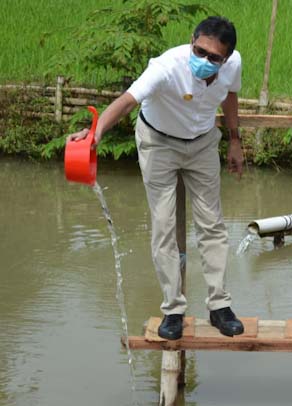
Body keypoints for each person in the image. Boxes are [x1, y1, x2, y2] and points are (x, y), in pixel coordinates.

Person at [67, 16, 245, 340]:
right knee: (164, 226)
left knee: (212, 223)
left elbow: (230, 95)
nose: (204, 61)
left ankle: (219, 306)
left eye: (213, 58)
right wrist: (96, 134)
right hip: (159, 143)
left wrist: (234, 139)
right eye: (199, 51)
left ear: (227, 58)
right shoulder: (166, 67)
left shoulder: (233, 66)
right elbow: (125, 102)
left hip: (203, 143)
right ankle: (173, 310)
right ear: (192, 41)